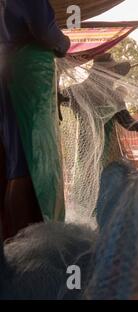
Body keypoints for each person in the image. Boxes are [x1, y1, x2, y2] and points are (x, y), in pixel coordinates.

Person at [0, 0, 70, 240]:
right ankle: (31, 241)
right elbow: (45, 30)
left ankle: (14, 239)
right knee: (34, 161)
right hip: (29, 73)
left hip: (9, 68)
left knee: (15, 159)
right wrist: (63, 43)